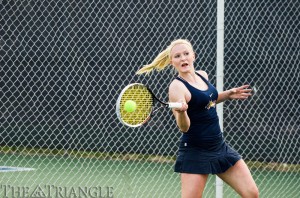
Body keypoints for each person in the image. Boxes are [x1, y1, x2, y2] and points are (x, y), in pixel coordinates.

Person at [136, 39, 259, 198]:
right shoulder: (177, 87)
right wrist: (181, 113)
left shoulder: (202, 75)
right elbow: (184, 127)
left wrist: (227, 94)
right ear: (172, 62)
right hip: (195, 151)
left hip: (219, 147)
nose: (183, 58)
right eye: (178, 56)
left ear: (194, 56)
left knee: (252, 194)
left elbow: (207, 101)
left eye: (186, 54)